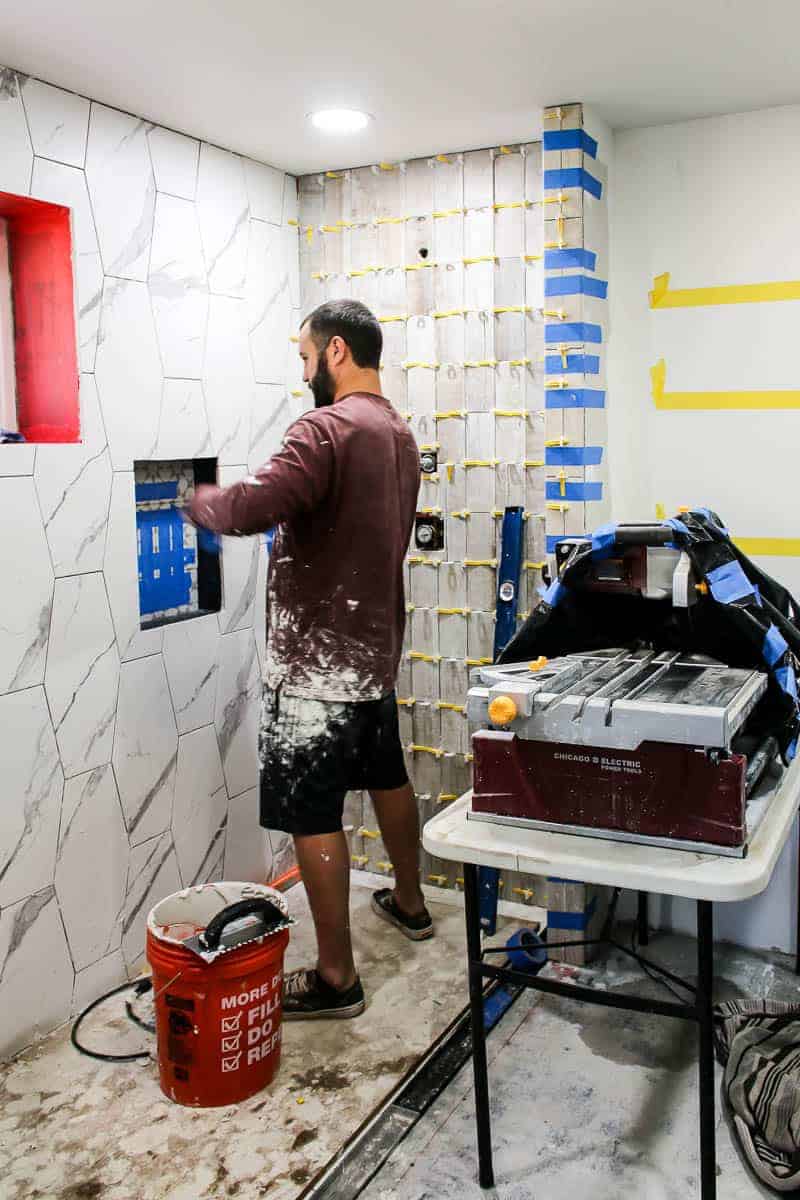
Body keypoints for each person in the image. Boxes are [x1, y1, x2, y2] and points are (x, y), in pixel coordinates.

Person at [187, 298, 433, 1020]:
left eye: (304, 357)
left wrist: (198, 501)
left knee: (311, 812)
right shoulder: (398, 432)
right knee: (387, 775)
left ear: (334, 352)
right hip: (372, 655)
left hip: (315, 669)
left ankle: (336, 978)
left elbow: (255, 506)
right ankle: (412, 903)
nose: (302, 373)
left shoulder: (325, 429)